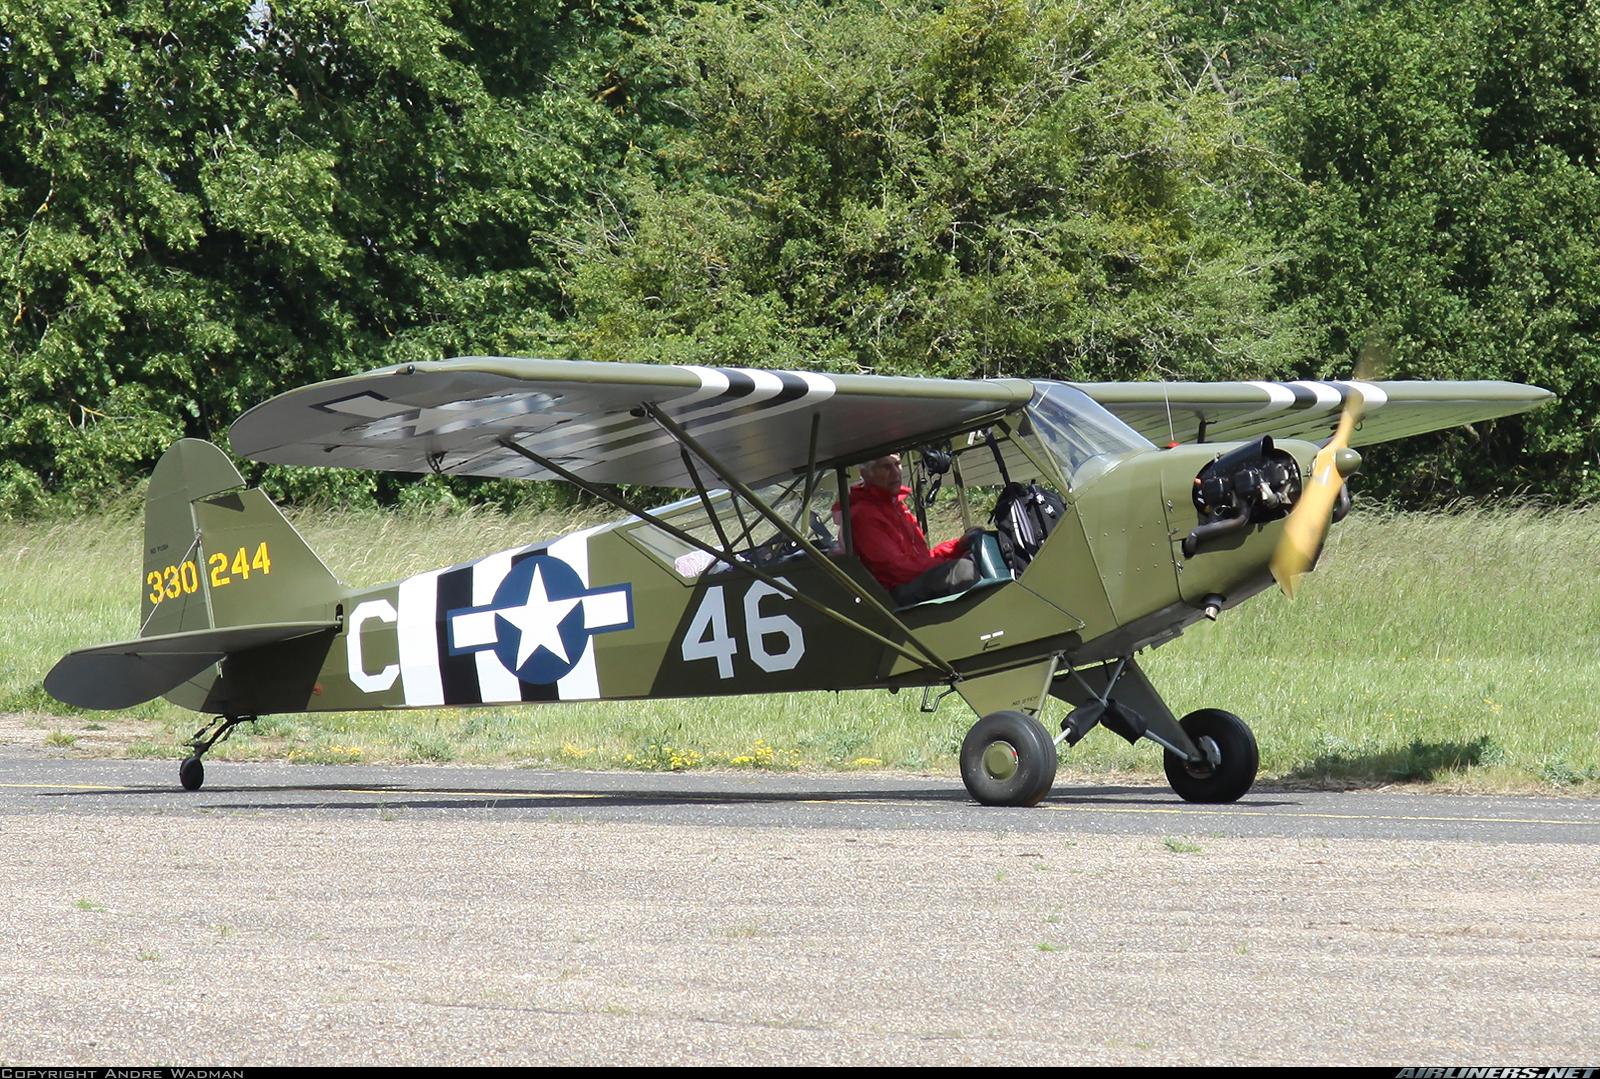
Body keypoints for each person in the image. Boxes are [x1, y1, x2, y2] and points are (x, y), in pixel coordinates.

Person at [847, 453, 981, 606]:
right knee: (962, 569)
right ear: (865, 474)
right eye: (886, 466)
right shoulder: (863, 515)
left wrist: (957, 547)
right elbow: (897, 569)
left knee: (976, 557)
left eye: (897, 464)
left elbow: (920, 559)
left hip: (912, 581)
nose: (895, 472)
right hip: (894, 595)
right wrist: (948, 562)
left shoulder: (896, 506)